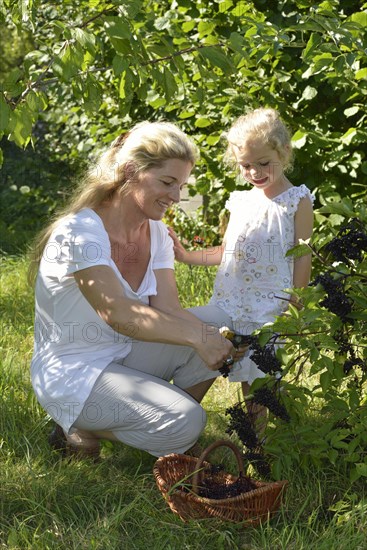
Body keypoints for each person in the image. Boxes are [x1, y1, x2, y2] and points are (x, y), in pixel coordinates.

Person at [29, 121, 238, 460]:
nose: (176, 196)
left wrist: (212, 336)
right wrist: (198, 338)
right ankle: (80, 427)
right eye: (167, 182)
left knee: (219, 321)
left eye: (181, 185)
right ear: (130, 171)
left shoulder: (155, 233)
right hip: (73, 374)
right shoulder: (80, 232)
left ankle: (163, 428)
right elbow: (119, 314)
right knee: (189, 418)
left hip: (125, 355)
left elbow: (169, 310)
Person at [169, 108, 314, 427]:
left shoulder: (296, 201)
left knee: (256, 381)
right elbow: (227, 252)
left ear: (285, 152)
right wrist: (185, 255)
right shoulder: (240, 201)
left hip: (268, 307)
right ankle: (172, 422)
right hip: (229, 302)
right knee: (208, 360)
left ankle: (256, 449)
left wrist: (296, 302)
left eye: (264, 163)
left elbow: (303, 254)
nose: (255, 172)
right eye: (246, 165)